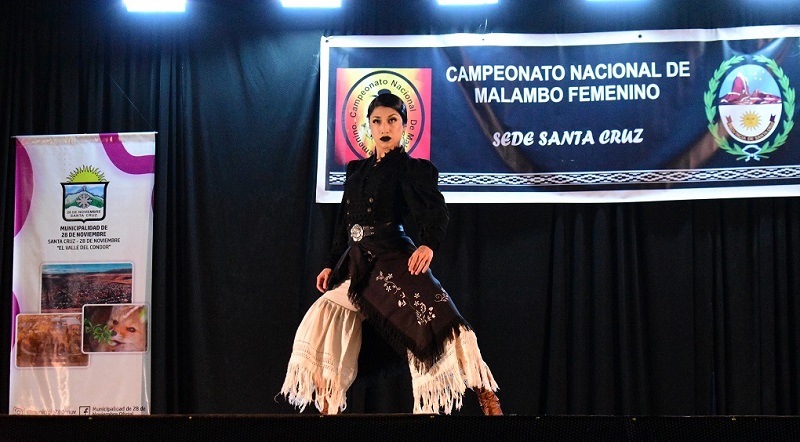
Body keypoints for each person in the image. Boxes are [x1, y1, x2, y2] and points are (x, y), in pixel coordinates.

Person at [280, 91, 502, 415]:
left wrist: (427, 244)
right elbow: (344, 224)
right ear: (369, 126)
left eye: (392, 120)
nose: (385, 127)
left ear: (403, 126)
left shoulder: (411, 169)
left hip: (392, 255)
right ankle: (330, 406)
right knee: (326, 314)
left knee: (439, 319)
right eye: (377, 121)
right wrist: (330, 264)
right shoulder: (356, 172)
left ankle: (485, 392)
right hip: (358, 264)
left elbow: (435, 211)